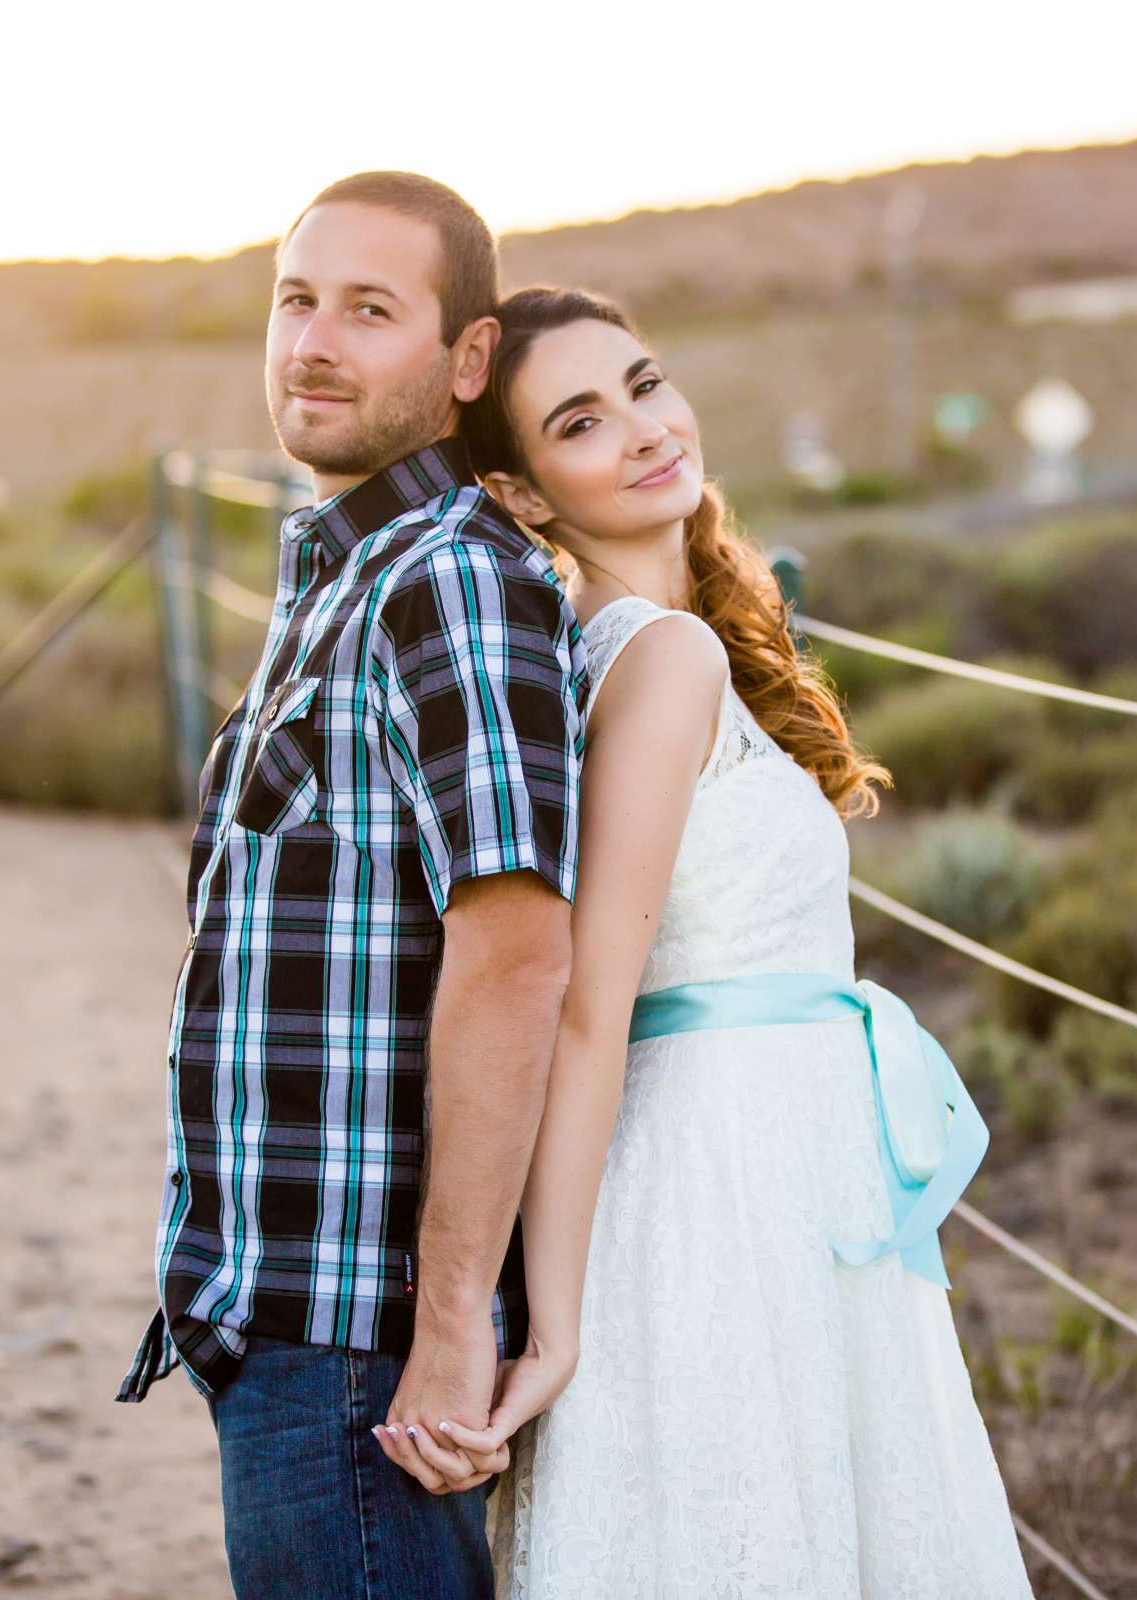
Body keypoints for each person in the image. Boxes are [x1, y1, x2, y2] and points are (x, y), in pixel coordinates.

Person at [396, 286, 1037, 1596]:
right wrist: (558, 1321)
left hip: (793, 1172)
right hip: (712, 1186)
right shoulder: (664, 658)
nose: (643, 430)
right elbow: (588, 1007)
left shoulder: (657, 648)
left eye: (645, 383)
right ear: (522, 493)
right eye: (582, 422)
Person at [116, 176, 586, 1600]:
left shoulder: (449, 585)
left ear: (464, 362)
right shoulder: (345, 567)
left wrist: (450, 1321)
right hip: (279, 1303)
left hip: (364, 1340)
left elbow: (516, 958)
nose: (312, 342)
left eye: (369, 310)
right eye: (296, 299)